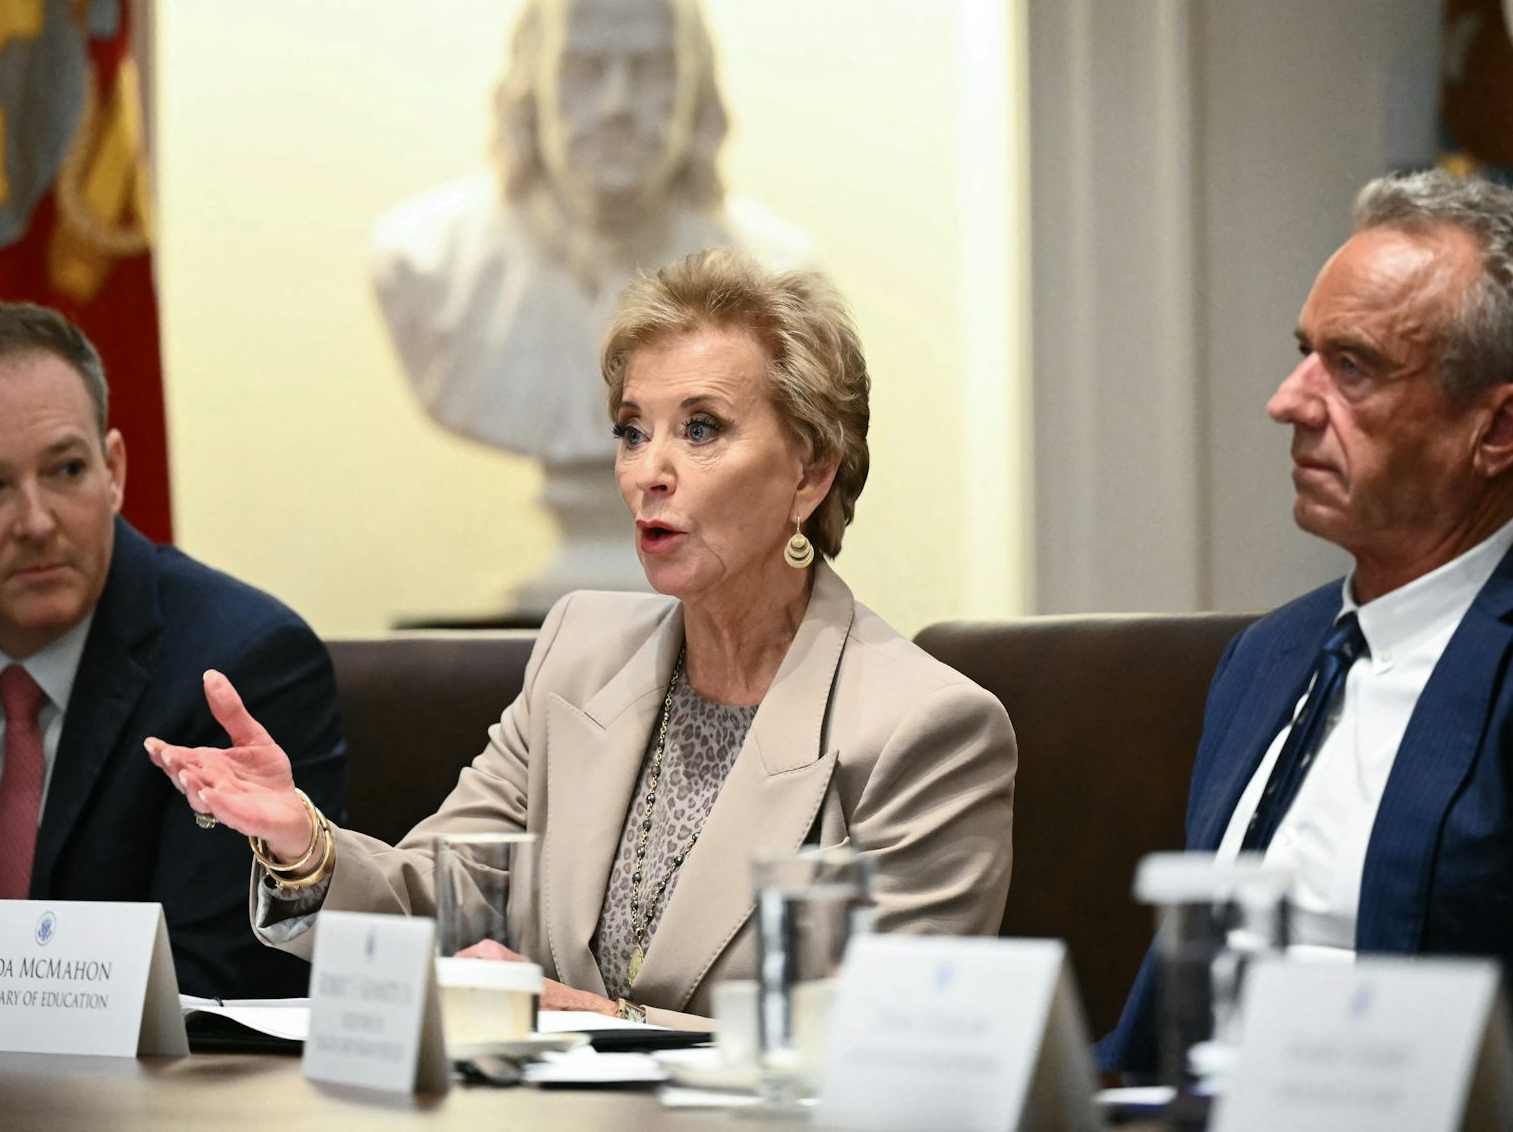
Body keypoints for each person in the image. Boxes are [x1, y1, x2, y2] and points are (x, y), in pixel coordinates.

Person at [150, 250, 1016, 1027]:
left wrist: (596, 1018)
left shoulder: (924, 728)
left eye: (701, 428)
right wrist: (301, 841)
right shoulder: (581, 651)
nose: (647, 471)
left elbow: (886, 1047)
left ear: (810, 471)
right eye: (633, 430)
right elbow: (439, 903)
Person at [1099, 171, 1513, 1092]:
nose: (1289, 400)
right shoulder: (1267, 657)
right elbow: (1170, 1026)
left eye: (1352, 368)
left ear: (1502, 427)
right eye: (1305, 353)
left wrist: (1369, 1101)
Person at [0, 300, 345, 999]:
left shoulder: (240, 667)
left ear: (113, 469)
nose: (36, 522)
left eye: (65, 470)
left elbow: (217, 986)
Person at [370, 0, 815, 608]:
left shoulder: (777, 276)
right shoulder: (426, 264)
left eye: (650, 72)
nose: (616, 105)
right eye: (583, 70)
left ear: (696, 89)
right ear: (531, 86)